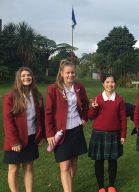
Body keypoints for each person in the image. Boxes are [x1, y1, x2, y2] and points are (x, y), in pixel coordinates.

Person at [45, 60, 89, 192]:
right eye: (68, 73)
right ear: (62, 73)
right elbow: (48, 112)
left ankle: (68, 185)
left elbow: (86, 103)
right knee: (64, 166)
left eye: (73, 72)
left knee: (74, 162)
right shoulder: (53, 89)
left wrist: (84, 118)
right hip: (60, 132)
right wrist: (49, 133)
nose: (71, 75)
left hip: (76, 129)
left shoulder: (79, 86)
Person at [3, 67, 44, 192]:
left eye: (28, 75)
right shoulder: (10, 97)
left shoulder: (37, 95)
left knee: (28, 168)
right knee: (14, 169)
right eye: (23, 76)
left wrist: (41, 135)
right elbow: (8, 121)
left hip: (31, 137)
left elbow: (41, 117)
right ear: (18, 79)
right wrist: (14, 141)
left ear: (32, 77)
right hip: (15, 139)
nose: (26, 77)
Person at [88, 74, 127, 192]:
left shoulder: (119, 99)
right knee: (99, 160)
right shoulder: (98, 98)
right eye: (107, 82)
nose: (110, 84)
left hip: (114, 133)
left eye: (112, 82)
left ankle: (111, 186)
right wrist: (93, 107)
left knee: (112, 160)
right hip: (99, 134)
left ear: (115, 83)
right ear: (103, 84)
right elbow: (90, 117)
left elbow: (123, 118)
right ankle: (101, 187)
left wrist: (123, 134)